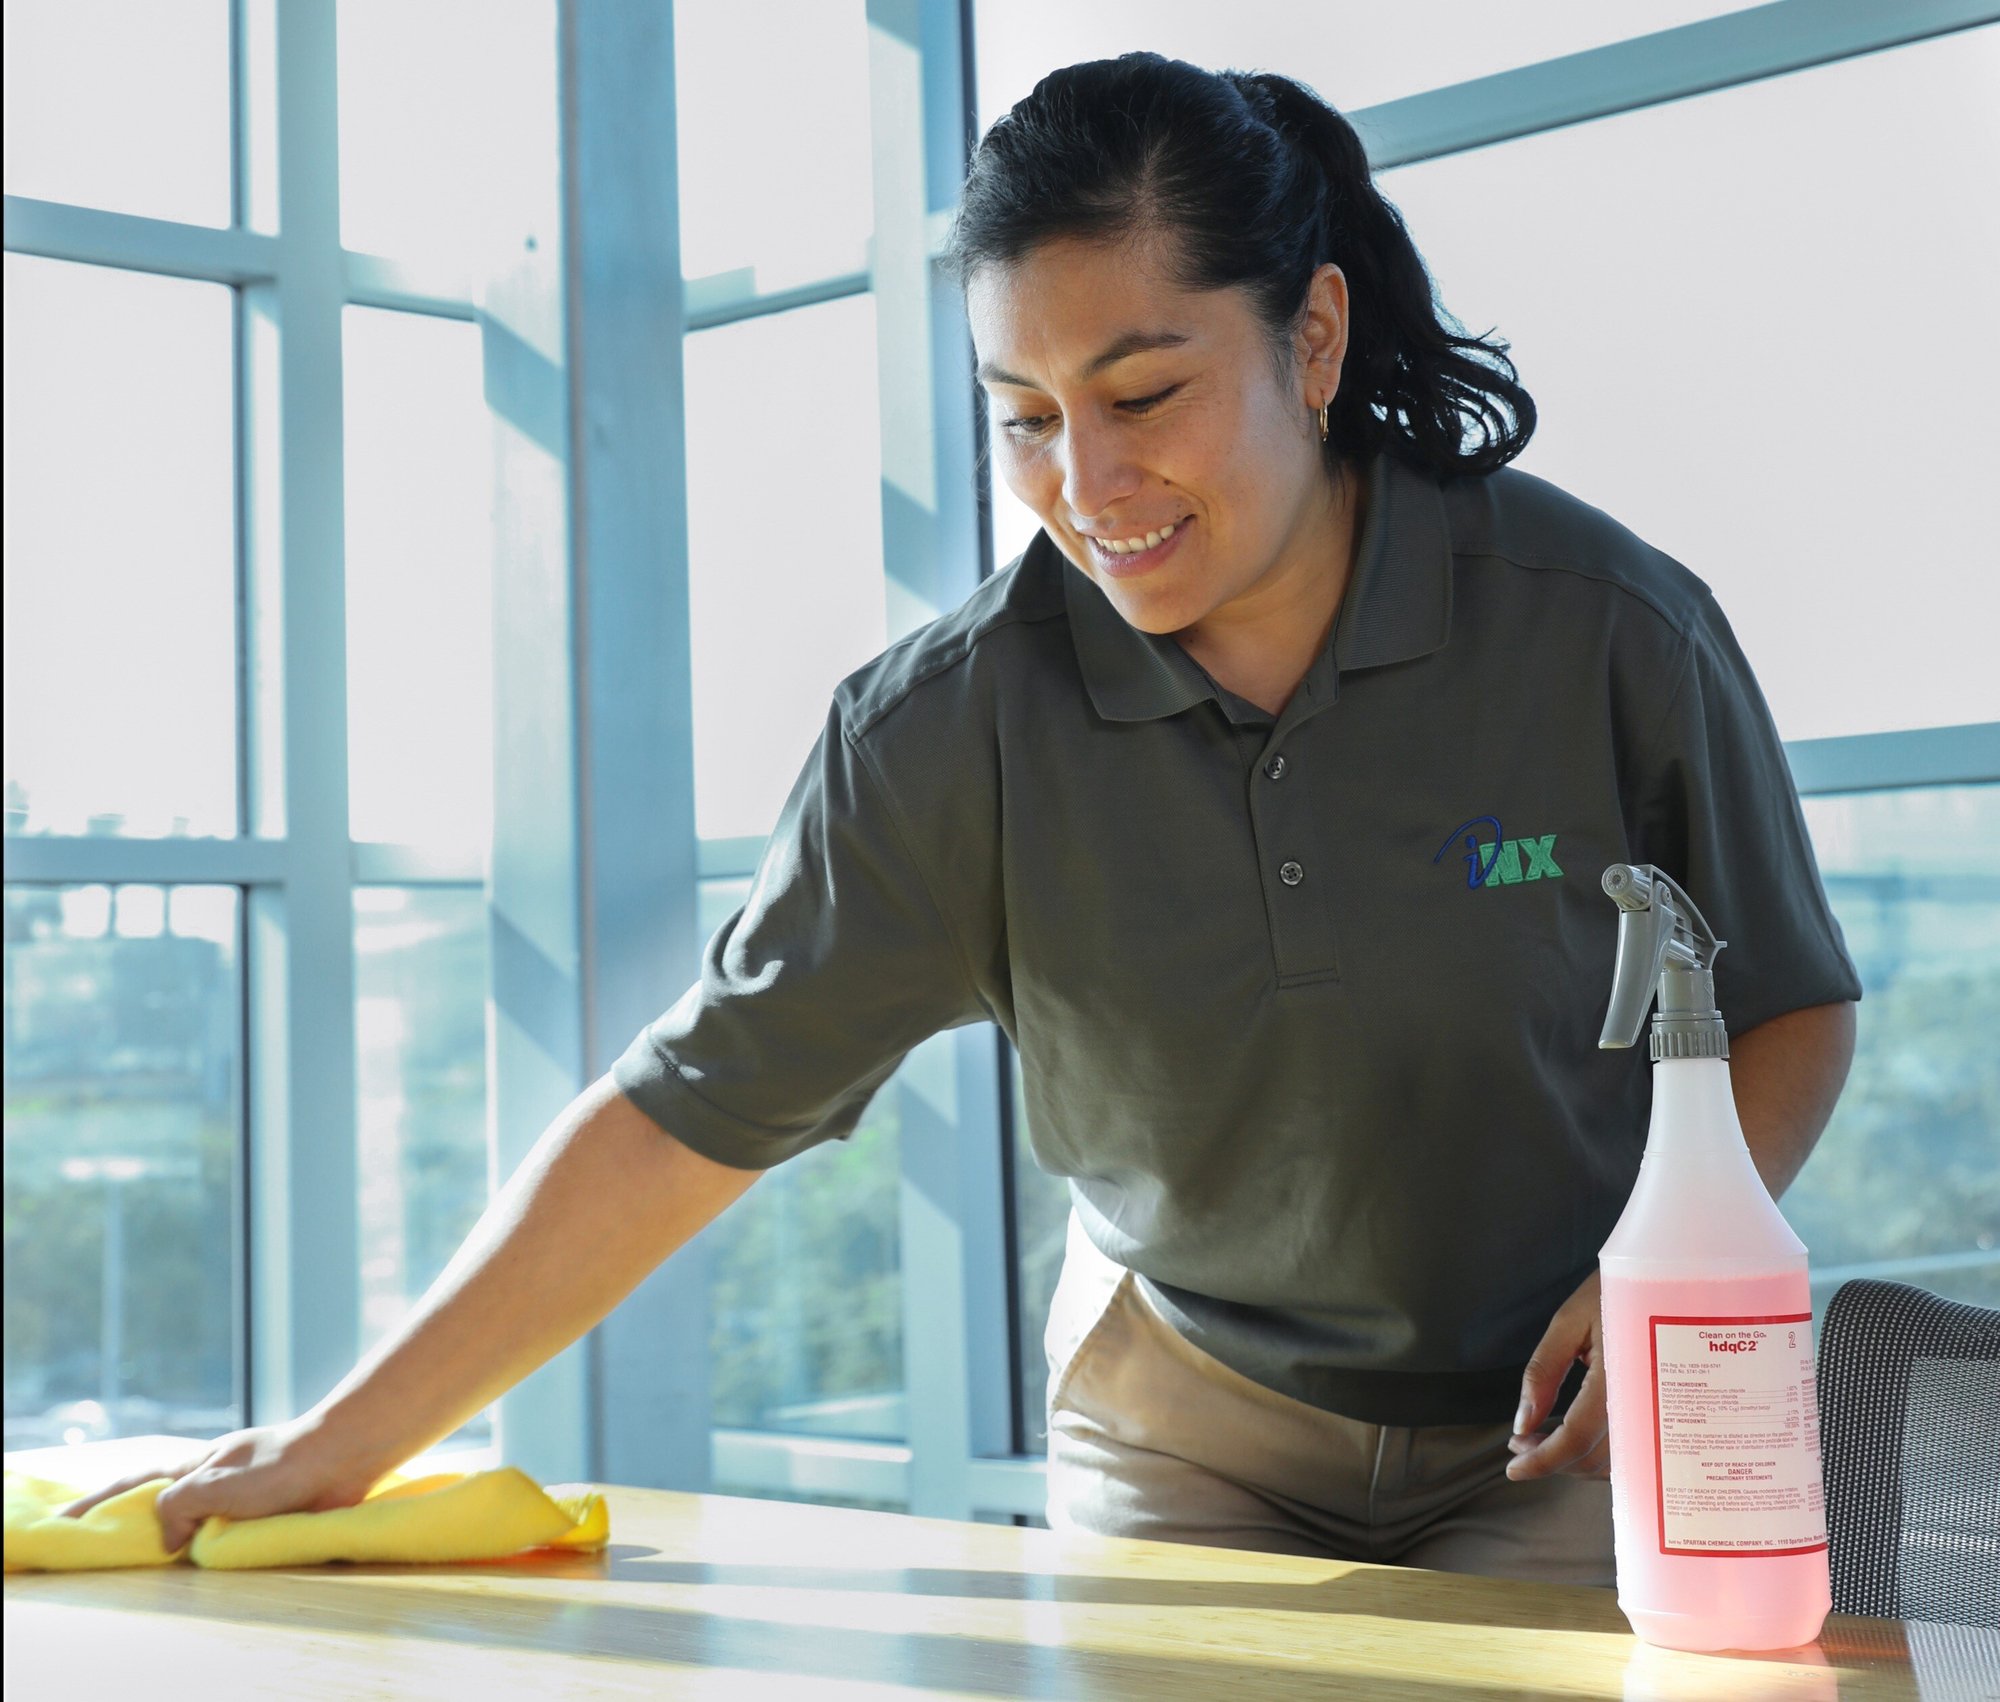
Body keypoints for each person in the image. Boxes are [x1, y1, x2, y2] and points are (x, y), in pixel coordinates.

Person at [59, 54, 1859, 1586]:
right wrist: (340, 1443)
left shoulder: (1602, 625)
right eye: (1025, 419)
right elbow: (689, 1112)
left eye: (1146, 394)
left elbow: (1788, 994)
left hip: (1562, 1422)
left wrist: (1664, 1273)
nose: (1089, 485)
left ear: (1311, 336)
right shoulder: (950, 728)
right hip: (1192, 1440)